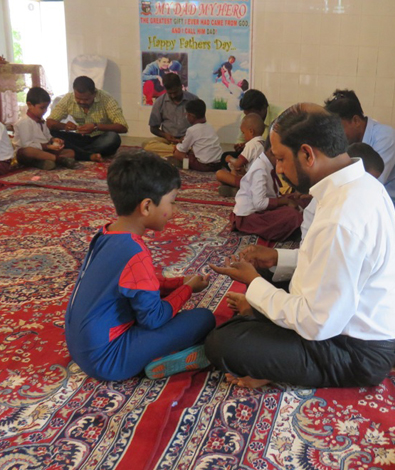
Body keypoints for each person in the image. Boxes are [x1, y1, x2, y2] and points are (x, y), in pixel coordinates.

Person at [206, 106, 395, 389]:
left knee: (223, 342)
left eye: (281, 159)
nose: (279, 169)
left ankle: (277, 364)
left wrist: (254, 284)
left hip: (355, 352)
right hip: (342, 319)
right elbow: (327, 262)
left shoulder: (341, 216)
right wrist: (276, 257)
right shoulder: (359, 186)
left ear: (307, 154)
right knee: (267, 277)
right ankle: (265, 326)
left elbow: (316, 322)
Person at [65, 150, 216, 381]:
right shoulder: (135, 252)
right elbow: (153, 318)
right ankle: (163, 360)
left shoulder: (105, 234)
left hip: (80, 348)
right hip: (108, 361)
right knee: (203, 319)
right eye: (171, 202)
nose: (174, 211)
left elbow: (136, 284)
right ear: (146, 207)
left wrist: (178, 282)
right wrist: (187, 289)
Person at [324, 89, 395, 210]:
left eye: (339, 128)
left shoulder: (386, 138)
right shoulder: (351, 140)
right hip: (378, 199)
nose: (336, 134)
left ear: (356, 121)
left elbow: (368, 185)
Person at [231, 137, 303, 241]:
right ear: (272, 152)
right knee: (292, 215)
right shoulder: (260, 169)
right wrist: (285, 201)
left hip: (264, 207)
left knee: (301, 199)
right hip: (251, 216)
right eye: (282, 158)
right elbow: (259, 204)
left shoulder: (268, 164)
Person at [47, 76, 128, 162]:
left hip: (100, 138)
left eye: (86, 99)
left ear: (94, 94)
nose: (82, 102)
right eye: (78, 99)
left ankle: (76, 153)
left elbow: (123, 127)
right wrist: (64, 126)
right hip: (79, 137)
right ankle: (87, 154)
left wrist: (96, 127)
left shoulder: (107, 99)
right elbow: (49, 122)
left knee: (113, 138)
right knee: (51, 133)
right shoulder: (68, 98)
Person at [13, 87, 76, 170]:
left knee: (71, 152)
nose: (45, 111)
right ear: (30, 105)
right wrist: (47, 147)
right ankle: (59, 160)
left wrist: (54, 140)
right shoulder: (24, 122)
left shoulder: (42, 120)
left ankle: (45, 161)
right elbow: (27, 145)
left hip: (44, 151)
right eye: (42, 108)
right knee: (28, 151)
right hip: (29, 153)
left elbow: (47, 136)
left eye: (46, 108)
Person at [220, 89, 283, 167]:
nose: (250, 117)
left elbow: (282, 147)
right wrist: (241, 146)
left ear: (263, 108)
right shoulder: (247, 116)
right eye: (246, 114)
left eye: (253, 114)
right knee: (225, 156)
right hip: (253, 154)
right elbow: (241, 139)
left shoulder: (280, 117)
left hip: (270, 157)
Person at [143, 73, 198, 158]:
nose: (173, 95)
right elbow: (153, 128)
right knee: (147, 145)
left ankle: (175, 152)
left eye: (175, 92)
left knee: (202, 147)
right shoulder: (159, 102)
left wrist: (187, 137)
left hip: (188, 140)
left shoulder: (194, 100)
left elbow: (200, 125)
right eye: (170, 93)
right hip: (168, 141)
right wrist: (165, 135)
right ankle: (180, 152)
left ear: (181, 86)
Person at [216, 113, 265, 196]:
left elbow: (238, 163)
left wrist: (229, 158)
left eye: (243, 133)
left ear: (251, 131)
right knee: (235, 170)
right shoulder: (263, 143)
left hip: (253, 183)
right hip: (262, 182)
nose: (243, 136)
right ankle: (236, 189)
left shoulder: (252, 144)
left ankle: (240, 190)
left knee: (220, 174)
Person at [171, 99, 222, 172]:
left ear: (191, 116)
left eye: (187, 114)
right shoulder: (210, 126)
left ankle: (186, 166)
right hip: (218, 164)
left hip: (205, 166)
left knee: (177, 153)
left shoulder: (192, 130)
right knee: (191, 152)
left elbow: (183, 149)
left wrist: (176, 146)